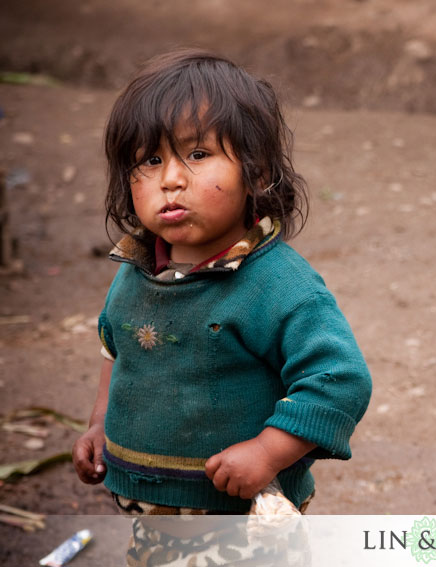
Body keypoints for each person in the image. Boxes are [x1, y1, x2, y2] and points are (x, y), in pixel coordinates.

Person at [71, 48, 371, 530]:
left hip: (243, 519)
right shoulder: (135, 267)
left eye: (197, 154)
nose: (170, 179)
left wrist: (267, 452)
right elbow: (117, 346)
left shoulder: (279, 286)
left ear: (256, 172)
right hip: (149, 510)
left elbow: (339, 379)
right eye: (149, 160)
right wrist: (100, 424)